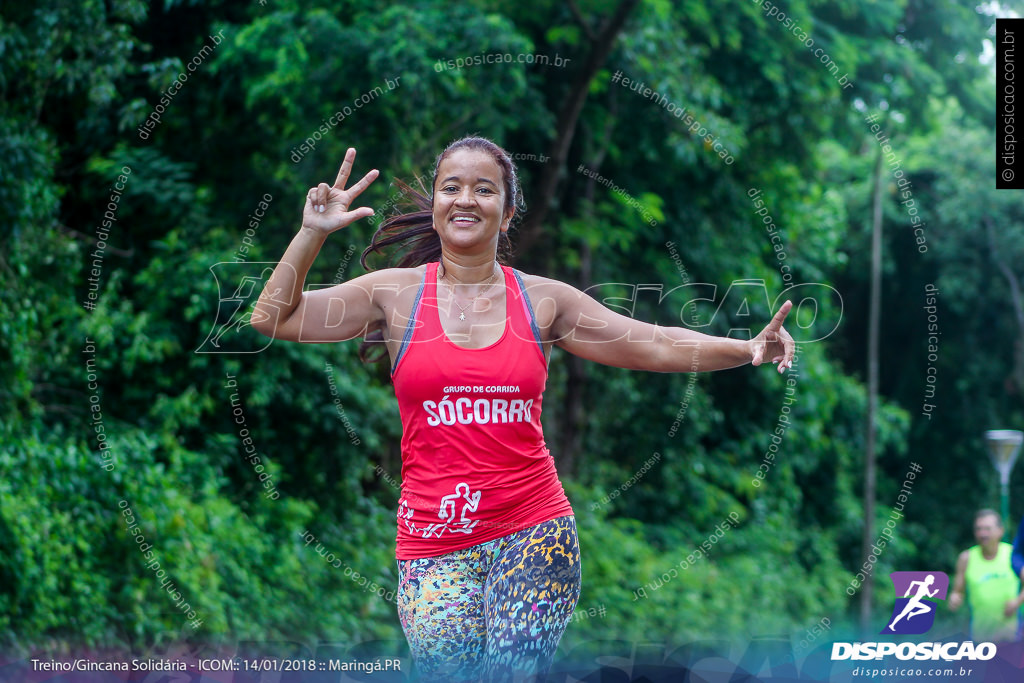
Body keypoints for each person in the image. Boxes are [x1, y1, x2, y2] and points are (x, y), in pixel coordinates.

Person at [251, 138, 796, 681]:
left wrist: (744, 348)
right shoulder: (391, 295)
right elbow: (273, 319)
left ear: (507, 214)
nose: (466, 199)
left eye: (484, 189)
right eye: (451, 187)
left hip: (534, 530)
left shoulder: (544, 301)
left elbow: (649, 342)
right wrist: (310, 235)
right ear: (436, 209)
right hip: (432, 542)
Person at [949, 509, 1023, 641]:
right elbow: (957, 592)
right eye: (978, 529)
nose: (982, 534)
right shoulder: (966, 558)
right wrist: (955, 598)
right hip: (981, 639)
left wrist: (1017, 602)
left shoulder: (1013, 555)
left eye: (987, 529)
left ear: (1001, 530)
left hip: (1012, 638)